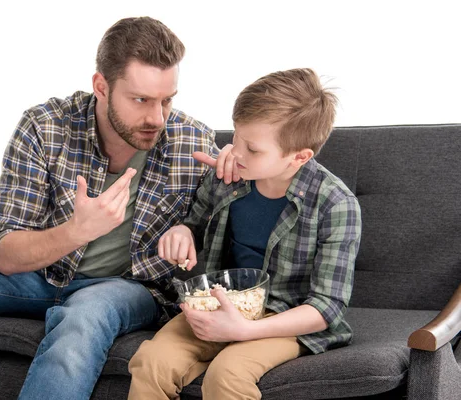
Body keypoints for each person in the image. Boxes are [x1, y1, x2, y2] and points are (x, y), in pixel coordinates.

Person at [0, 16, 236, 400]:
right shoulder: (46, 127)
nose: (157, 117)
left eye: (167, 100)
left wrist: (242, 168)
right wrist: (77, 231)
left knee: (85, 314)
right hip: (41, 275)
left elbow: (229, 212)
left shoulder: (191, 141)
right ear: (101, 86)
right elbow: (5, 252)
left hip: (127, 288)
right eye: (141, 100)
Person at [128, 68, 363, 400]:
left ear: (299, 157)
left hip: (283, 318)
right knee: (151, 363)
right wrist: (181, 232)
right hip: (217, 304)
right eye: (236, 137)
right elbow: (192, 226)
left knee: (227, 376)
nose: (235, 152)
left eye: (252, 149)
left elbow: (326, 307)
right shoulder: (229, 175)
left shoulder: (335, 205)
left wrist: (246, 330)